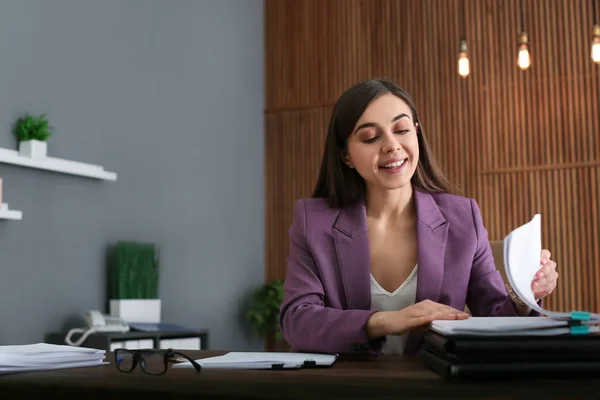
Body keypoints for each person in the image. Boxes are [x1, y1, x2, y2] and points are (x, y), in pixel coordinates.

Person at [279, 79, 559, 356]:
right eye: (370, 137)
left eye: (401, 130)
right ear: (346, 155)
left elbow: (495, 318)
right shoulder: (313, 222)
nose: (391, 146)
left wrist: (525, 295)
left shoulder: (463, 217)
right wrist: (387, 321)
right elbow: (297, 321)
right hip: (349, 388)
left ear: (416, 134)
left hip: (433, 388)